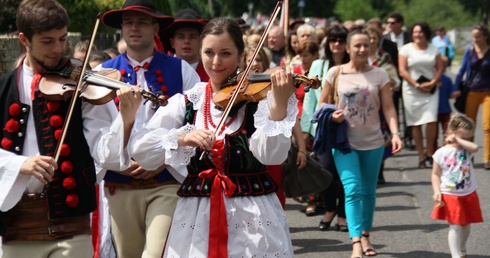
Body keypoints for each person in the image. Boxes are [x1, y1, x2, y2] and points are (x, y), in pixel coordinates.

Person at [115, 17, 297, 257]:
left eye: (226, 53)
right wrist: (181, 139)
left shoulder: (260, 101)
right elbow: (141, 149)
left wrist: (279, 106)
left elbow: (271, 154)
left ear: (241, 55)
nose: (216, 62)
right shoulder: (188, 101)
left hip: (252, 215)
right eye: (209, 52)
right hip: (196, 216)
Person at [0, 0, 117, 257]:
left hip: (71, 222)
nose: (58, 49)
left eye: (63, 39)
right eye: (47, 41)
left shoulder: (81, 81)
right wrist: (19, 164)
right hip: (18, 225)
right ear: (24, 40)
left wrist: (126, 121)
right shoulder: (4, 88)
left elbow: (106, 150)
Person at [97, 0, 201, 257]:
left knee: (155, 253)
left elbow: (197, 121)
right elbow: (97, 132)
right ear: (121, 28)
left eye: (142, 22)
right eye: (129, 22)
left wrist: (163, 158)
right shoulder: (102, 74)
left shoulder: (182, 70)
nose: (134, 27)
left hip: (166, 180)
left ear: (155, 27)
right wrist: (121, 160)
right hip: (120, 183)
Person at [318, 28, 403, 258]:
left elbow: (388, 107)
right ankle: (355, 240)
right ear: (348, 48)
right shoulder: (335, 73)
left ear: (371, 47)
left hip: (374, 142)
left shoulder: (380, 75)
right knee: (352, 189)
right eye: (357, 45)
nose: (362, 49)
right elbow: (322, 104)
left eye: (366, 45)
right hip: (344, 142)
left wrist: (395, 133)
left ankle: (366, 235)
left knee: (368, 192)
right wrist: (332, 114)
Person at [302, 25, 350, 230]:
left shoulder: (353, 65)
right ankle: (330, 208)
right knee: (327, 171)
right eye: (333, 39)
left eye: (341, 39)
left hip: (348, 126)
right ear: (328, 43)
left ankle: (342, 214)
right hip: (323, 127)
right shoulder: (318, 65)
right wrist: (305, 128)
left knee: (346, 174)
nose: (337, 44)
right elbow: (309, 98)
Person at [430, 114, 483, 258]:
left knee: (466, 225)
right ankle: (455, 255)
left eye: (467, 138)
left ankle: (462, 248)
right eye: (463, 137)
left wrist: (459, 139)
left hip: (468, 192)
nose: (466, 141)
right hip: (451, 195)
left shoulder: (466, 149)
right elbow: (435, 174)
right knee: (455, 226)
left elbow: (475, 147)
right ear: (450, 133)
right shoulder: (441, 153)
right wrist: (436, 191)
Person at [398, 21, 445, 169]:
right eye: (415, 32)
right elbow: (402, 70)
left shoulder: (434, 49)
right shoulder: (405, 49)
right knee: (415, 122)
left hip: (430, 90)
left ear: (426, 33)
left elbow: (440, 67)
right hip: (412, 90)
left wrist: (432, 82)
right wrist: (416, 85)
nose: (418, 35)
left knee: (431, 120)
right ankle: (420, 155)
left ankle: (429, 151)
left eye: (421, 32)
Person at [454, 24, 490, 170]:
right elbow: (462, 70)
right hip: (472, 91)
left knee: (488, 126)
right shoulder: (469, 51)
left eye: (478, 36)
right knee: (469, 125)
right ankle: (469, 155)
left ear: (485, 36)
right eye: (474, 36)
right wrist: (456, 87)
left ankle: (487, 158)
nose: (475, 39)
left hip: (488, 92)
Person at [383, 12, 413, 149]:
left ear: (400, 23)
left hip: (408, 77)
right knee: (393, 107)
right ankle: (396, 135)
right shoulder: (385, 39)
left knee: (408, 109)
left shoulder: (410, 37)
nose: (389, 25)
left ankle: (408, 137)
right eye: (388, 23)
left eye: (393, 23)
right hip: (392, 79)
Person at [160, 8, 209, 82]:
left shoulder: (211, 74)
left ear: (201, 42)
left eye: (192, 37)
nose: (187, 41)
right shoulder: (159, 70)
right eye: (181, 37)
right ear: (172, 43)